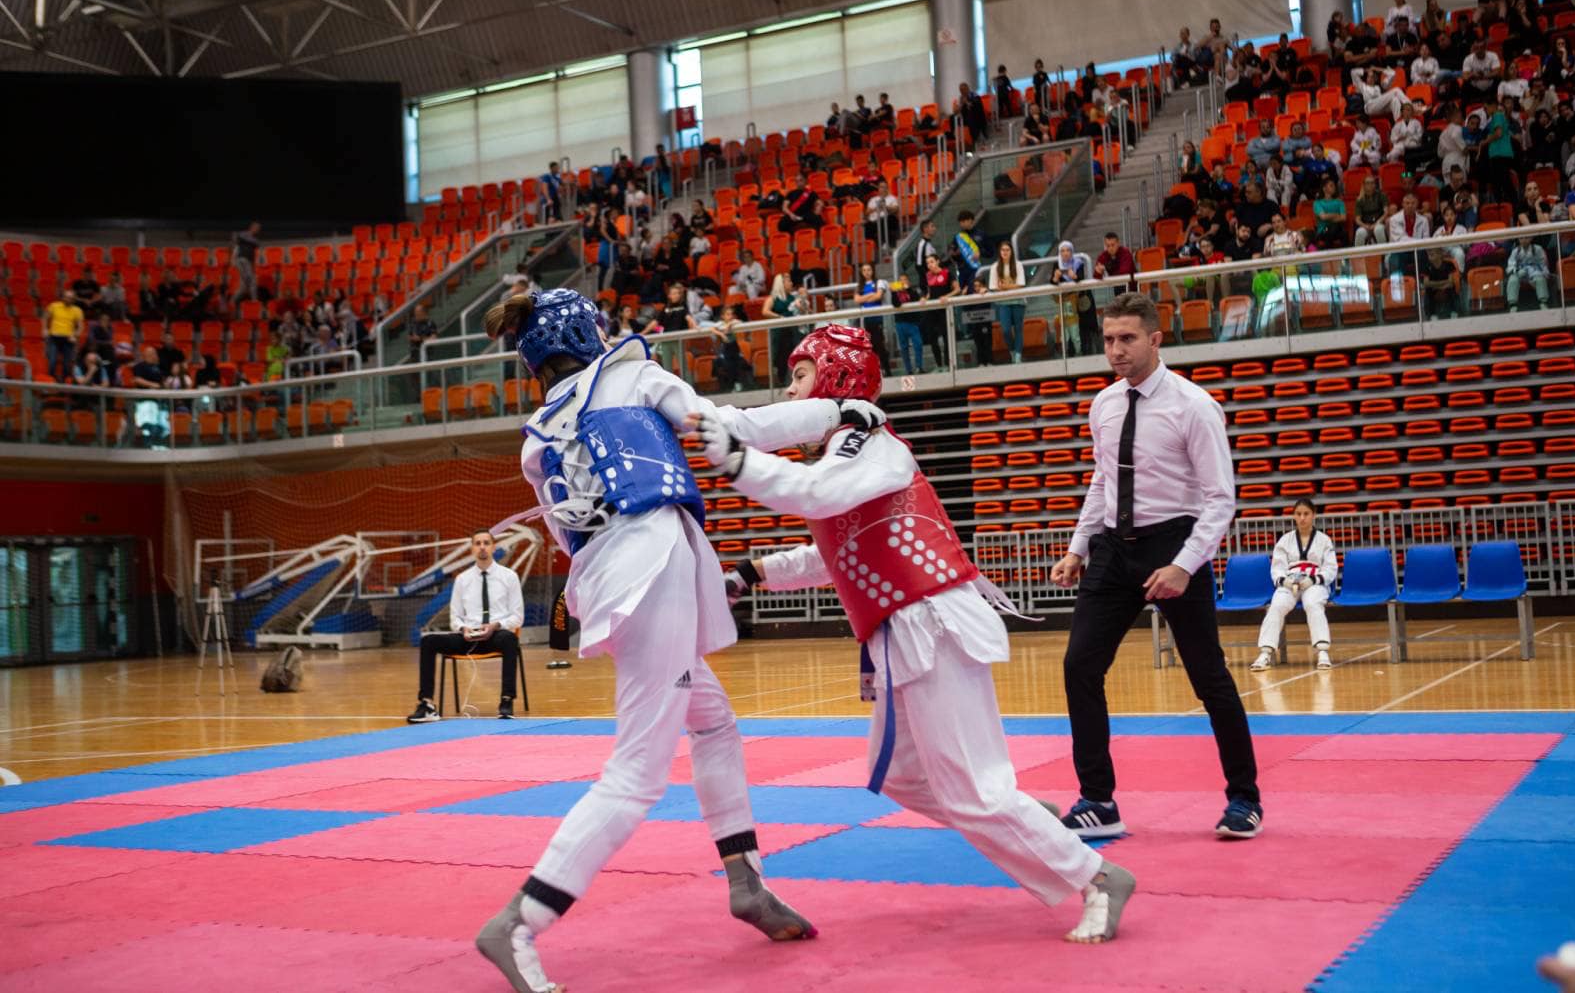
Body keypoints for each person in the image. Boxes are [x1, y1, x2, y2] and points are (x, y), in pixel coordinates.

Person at [474, 289, 882, 992]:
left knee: (715, 723)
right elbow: (734, 427)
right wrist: (836, 411)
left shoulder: (537, 436)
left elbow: (572, 531)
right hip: (650, 565)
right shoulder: (631, 374)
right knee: (635, 774)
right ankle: (517, 923)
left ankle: (746, 881)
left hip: (610, 583)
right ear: (588, 332)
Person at [699, 325, 1137, 945]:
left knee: (971, 791)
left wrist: (738, 458)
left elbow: (815, 496)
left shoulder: (870, 442)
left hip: (930, 622)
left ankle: (1097, 877)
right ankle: (1019, 817)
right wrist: (753, 572)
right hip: (905, 632)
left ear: (836, 377)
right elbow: (839, 551)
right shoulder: (845, 457)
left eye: (800, 375)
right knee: (906, 776)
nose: (790, 390)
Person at [1049, 292, 1261, 841]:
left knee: (1208, 677)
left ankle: (1245, 798)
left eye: (1127, 338)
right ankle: (1098, 800)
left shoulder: (1194, 406)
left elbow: (1220, 499)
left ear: (1155, 339)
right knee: (1079, 666)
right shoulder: (1104, 404)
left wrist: (1185, 565)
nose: (1116, 350)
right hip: (1112, 548)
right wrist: (1078, 548)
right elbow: (1103, 480)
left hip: (1173, 545)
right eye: (1109, 339)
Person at [407, 530, 526, 723]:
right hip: (468, 638)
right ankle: (427, 704)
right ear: (472, 549)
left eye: (486, 543)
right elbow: (455, 617)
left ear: (493, 547)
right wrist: (463, 629)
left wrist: (496, 625)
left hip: (495, 636)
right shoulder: (462, 579)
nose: (482, 547)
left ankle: (506, 701)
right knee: (428, 641)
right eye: (478, 543)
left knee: (510, 639)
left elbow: (517, 617)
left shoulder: (509, 577)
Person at [1250, 499, 1339, 672]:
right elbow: (1277, 568)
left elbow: (1330, 568)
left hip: (1314, 583)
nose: (1302, 518)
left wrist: (1314, 580)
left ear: (1313, 515)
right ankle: (1265, 653)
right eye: (1298, 514)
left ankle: (1322, 652)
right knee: (1277, 606)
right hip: (1290, 582)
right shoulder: (1285, 540)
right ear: (1294, 516)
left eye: (1306, 514)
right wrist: (1284, 581)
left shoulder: (1324, 540)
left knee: (1313, 603)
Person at [989, 239, 1027, 363]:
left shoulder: (1018, 265)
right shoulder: (994, 267)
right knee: (1005, 330)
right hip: (1003, 302)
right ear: (999, 252)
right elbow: (993, 287)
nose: (1005, 252)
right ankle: (1012, 351)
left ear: (1011, 252)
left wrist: (1005, 287)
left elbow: (1021, 284)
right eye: (1002, 250)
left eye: (1007, 250)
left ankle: (1018, 356)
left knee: (1018, 329)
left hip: (1018, 301)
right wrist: (1009, 287)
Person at [43, 287, 83, 383]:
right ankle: (53, 380)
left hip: (68, 339)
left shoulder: (77, 310)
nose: (68, 299)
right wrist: (45, 329)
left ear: (73, 299)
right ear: (63, 297)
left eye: (70, 298)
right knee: (52, 361)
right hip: (54, 337)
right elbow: (45, 317)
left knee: (67, 364)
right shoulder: (54, 306)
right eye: (66, 297)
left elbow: (80, 327)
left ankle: (64, 383)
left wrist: (75, 336)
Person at [232, 221, 261, 309]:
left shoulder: (254, 239)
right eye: (256, 228)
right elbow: (235, 236)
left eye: (259, 229)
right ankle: (254, 301)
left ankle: (232, 302)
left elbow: (257, 244)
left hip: (249, 262)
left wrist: (246, 240)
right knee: (252, 281)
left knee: (244, 287)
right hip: (242, 260)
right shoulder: (244, 234)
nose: (258, 230)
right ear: (252, 227)